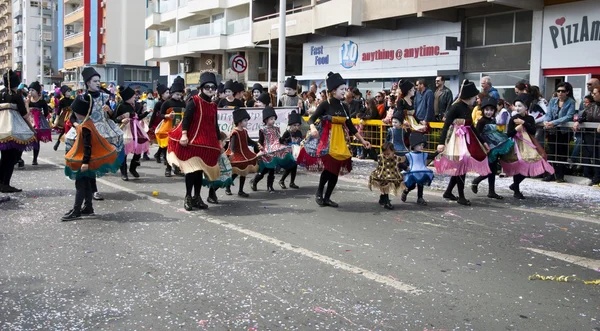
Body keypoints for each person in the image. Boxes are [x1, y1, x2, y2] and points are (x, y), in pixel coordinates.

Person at [297, 72, 371, 208]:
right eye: (342, 89)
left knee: (335, 170)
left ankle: (327, 197)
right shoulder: (325, 104)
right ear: (333, 91)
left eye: (345, 89)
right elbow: (312, 119)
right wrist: (313, 128)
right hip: (327, 141)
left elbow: (350, 126)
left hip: (340, 142)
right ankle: (319, 192)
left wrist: (362, 141)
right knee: (329, 168)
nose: (345, 91)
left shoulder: (345, 106)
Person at [66, 67, 124, 202]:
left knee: (95, 161)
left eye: (99, 81)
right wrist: (77, 126)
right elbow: (72, 118)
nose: (98, 83)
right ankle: (93, 190)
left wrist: (109, 110)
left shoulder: (105, 97)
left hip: (103, 131)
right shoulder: (82, 98)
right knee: (87, 160)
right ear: (87, 83)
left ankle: (90, 192)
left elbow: (113, 117)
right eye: (95, 81)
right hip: (86, 131)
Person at [167, 72, 222, 211]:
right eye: (207, 87)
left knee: (200, 172)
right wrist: (184, 135)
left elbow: (214, 125)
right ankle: (187, 197)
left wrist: (219, 141)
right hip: (192, 141)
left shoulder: (214, 105)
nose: (210, 89)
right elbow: (186, 120)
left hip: (206, 143)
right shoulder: (194, 101)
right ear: (201, 87)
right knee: (191, 172)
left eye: (213, 87)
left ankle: (197, 197)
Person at [62, 94, 120, 221]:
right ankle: (88, 207)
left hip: (86, 160)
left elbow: (88, 146)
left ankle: (76, 210)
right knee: (87, 184)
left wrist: (85, 163)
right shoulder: (87, 122)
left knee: (80, 185)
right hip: (89, 159)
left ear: (78, 112)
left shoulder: (85, 127)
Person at [435, 79, 491, 206]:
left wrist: (482, 142)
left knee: (461, 167)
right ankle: (460, 196)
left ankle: (449, 192)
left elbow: (472, 127)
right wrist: (441, 142)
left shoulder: (469, 108)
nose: (476, 98)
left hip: (467, 139)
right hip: (457, 140)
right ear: (468, 96)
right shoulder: (455, 107)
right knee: (461, 166)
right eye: (474, 96)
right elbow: (446, 125)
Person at [501, 94, 555, 199]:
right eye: (516, 106)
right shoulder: (513, 118)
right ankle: (516, 190)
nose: (517, 108)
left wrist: (524, 123)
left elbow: (533, 131)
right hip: (516, 145)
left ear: (526, 107)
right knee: (519, 165)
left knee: (531, 163)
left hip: (529, 144)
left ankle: (515, 185)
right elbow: (509, 133)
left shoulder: (529, 118)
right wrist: (516, 129)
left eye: (520, 106)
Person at [0, 70, 37, 194]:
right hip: (14, 131)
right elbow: (24, 115)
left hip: (1, 131)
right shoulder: (16, 96)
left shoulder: (0, 93)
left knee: (4, 157)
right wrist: (31, 129)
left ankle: (1, 183)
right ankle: (6, 184)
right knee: (11, 158)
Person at [471, 97, 514, 199]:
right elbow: (477, 134)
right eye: (487, 110)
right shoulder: (481, 121)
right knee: (490, 168)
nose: (489, 112)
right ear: (483, 110)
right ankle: (476, 181)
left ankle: (491, 191)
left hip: (495, 147)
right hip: (487, 148)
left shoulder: (493, 120)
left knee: (493, 169)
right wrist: (484, 144)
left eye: (491, 110)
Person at [251, 106, 294, 193]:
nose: (273, 120)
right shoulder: (263, 130)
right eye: (271, 119)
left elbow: (279, 139)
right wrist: (259, 146)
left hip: (276, 149)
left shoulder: (276, 129)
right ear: (266, 120)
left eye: (274, 118)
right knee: (264, 170)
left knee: (272, 169)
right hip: (267, 150)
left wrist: (284, 138)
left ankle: (269, 186)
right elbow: (261, 140)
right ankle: (254, 182)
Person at [112, 86, 150, 181]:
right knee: (123, 152)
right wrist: (122, 120)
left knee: (141, 144)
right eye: (133, 97)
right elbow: (113, 119)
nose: (135, 98)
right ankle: (123, 172)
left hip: (136, 130)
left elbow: (137, 117)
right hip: (124, 130)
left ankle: (133, 168)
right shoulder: (120, 105)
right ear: (127, 98)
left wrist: (146, 113)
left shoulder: (135, 105)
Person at [543, 82, 577, 183]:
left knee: (562, 153)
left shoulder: (571, 102)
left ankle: (560, 175)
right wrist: (546, 122)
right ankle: (551, 174)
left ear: (567, 92)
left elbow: (569, 116)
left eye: (563, 91)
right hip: (552, 131)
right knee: (552, 153)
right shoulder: (553, 101)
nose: (560, 93)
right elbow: (548, 114)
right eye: (558, 91)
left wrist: (554, 122)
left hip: (564, 132)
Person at [225, 107, 259, 197]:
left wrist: (257, 143)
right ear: (239, 122)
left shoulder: (244, 131)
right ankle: (228, 186)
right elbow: (232, 145)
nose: (247, 122)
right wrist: (231, 153)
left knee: (244, 172)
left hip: (245, 153)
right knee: (235, 173)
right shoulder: (235, 132)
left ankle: (240, 190)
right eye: (245, 120)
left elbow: (249, 141)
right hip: (236, 154)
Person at [157, 76, 186, 177]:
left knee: (179, 149)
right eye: (177, 94)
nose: (179, 96)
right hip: (168, 129)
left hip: (179, 129)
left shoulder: (183, 103)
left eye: (180, 94)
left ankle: (177, 168)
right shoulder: (167, 103)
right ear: (172, 93)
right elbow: (160, 115)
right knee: (168, 149)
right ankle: (168, 169)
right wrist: (167, 116)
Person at [573, 87, 600, 186]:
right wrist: (578, 121)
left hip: (597, 135)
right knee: (592, 156)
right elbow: (583, 115)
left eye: (595, 93)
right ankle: (593, 177)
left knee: (598, 157)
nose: (593, 95)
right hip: (589, 135)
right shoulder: (592, 106)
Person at [368, 142, 405, 210]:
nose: (386, 156)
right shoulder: (381, 157)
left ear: (393, 151)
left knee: (387, 186)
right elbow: (373, 156)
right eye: (384, 154)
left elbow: (401, 164)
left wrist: (406, 168)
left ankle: (382, 199)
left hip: (393, 175)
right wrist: (370, 149)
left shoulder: (396, 158)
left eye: (388, 154)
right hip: (382, 175)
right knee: (385, 186)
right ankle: (386, 201)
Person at [401, 132, 434, 206]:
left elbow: (432, 156)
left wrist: (438, 151)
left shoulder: (424, 154)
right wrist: (405, 168)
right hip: (412, 173)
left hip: (421, 172)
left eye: (422, 145)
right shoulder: (409, 155)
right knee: (412, 185)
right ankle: (405, 191)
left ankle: (420, 198)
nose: (421, 147)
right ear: (414, 145)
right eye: (419, 145)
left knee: (420, 184)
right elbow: (403, 163)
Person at [25, 81, 52, 165]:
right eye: (29, 90)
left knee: (36, 141)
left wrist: (44, 121)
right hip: (28, 121)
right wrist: (27, 103)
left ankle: (35, 159)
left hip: (37, 122)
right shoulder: (27, 100)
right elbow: (25, 111)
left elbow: (46, 113)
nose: (30, 92)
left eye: (32, 90)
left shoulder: (42, 102)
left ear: (37, 91)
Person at [205, 131, 234, 204]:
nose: (225, 143)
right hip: (218, 169)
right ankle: (211, 195)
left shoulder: (222, 149)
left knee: (220, 182)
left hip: (223, 169)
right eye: (224, 141)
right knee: (215, 182)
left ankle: (212, 194)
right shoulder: (216, 149)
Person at [279, 111, 303, 189]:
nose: (296, 127)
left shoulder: (299, 132)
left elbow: (301, 141)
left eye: (298, 125)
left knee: (294, 167)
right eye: (294, 125)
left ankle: (292, 182)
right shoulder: (287, 133)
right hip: (288, 153)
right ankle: (282, 180)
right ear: (290, 125)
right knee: (290, 167)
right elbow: (281, 142)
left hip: (296, 153)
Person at [148, 83, 169, 163]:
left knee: (164, 141)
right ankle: (163, 157)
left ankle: (158, 154)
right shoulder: (158, 103)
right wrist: (150, 125)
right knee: (163, 140)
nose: (168, 94)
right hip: (158, 124)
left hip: (166, 124)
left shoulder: (169, 102)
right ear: (162, 94)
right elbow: (154, 115)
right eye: (166, 93)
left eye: (168, 92)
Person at [53, 85, 74, 151]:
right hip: (65, 116)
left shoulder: (73, 100)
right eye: (68, 91)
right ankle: (58, 142)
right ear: (64, 92)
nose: (69, 92)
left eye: (70, 91)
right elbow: (59, 111)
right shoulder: (62, 101)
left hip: (72, 115)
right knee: (64, 130)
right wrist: (56, 119)